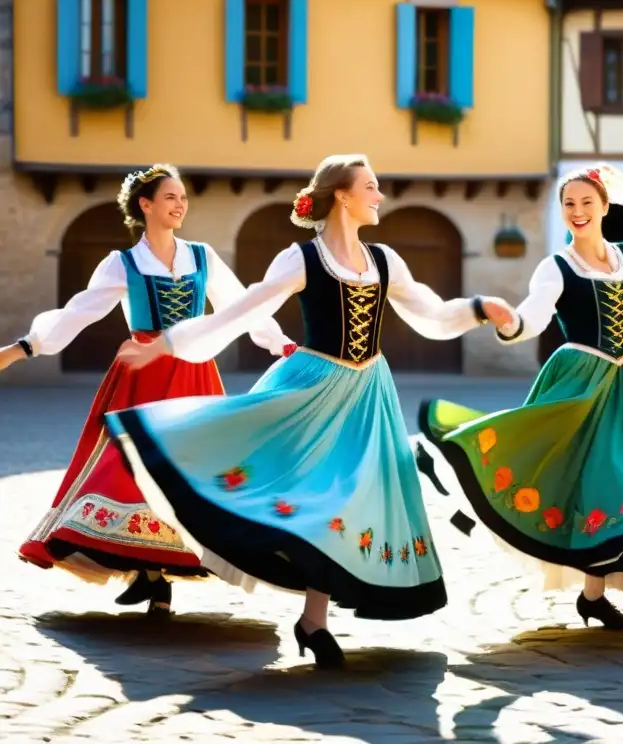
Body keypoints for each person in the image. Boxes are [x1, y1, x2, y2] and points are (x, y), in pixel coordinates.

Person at [105, 154, 515, 668]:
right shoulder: (302, 258)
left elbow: (432, 316)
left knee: (350, 503)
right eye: (371, 186)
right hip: (314, 392)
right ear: (343, 195)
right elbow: (240, 312)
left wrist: (480, 309)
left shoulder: (386, 260)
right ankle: (314, 621)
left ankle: (312, 620)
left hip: (370, 398)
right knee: (318, 500)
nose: (380, 195)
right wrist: (165, 343)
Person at [417, 164, 623, 630]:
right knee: (575, 476)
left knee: (619, 480)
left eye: (586, 203)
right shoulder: (555, 265)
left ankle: (593, 596)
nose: (577, 212)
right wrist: (507, 323)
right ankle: (457, 446)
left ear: (604, 206)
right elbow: (532, 319)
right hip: (577, 382)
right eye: (569, 204)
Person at [3, 164, 292, 615]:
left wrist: (280, 343)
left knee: (191, 470)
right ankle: (152, 576)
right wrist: (23, 348)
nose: (180, 205)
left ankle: (154, 577)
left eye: (183, 198)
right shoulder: (122, 263)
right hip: (142, 376)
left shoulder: (202, 257)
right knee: (131, 472)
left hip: (193, 373)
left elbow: (239, 306)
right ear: (146, 205)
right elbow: (79, 311)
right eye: (171, 197)